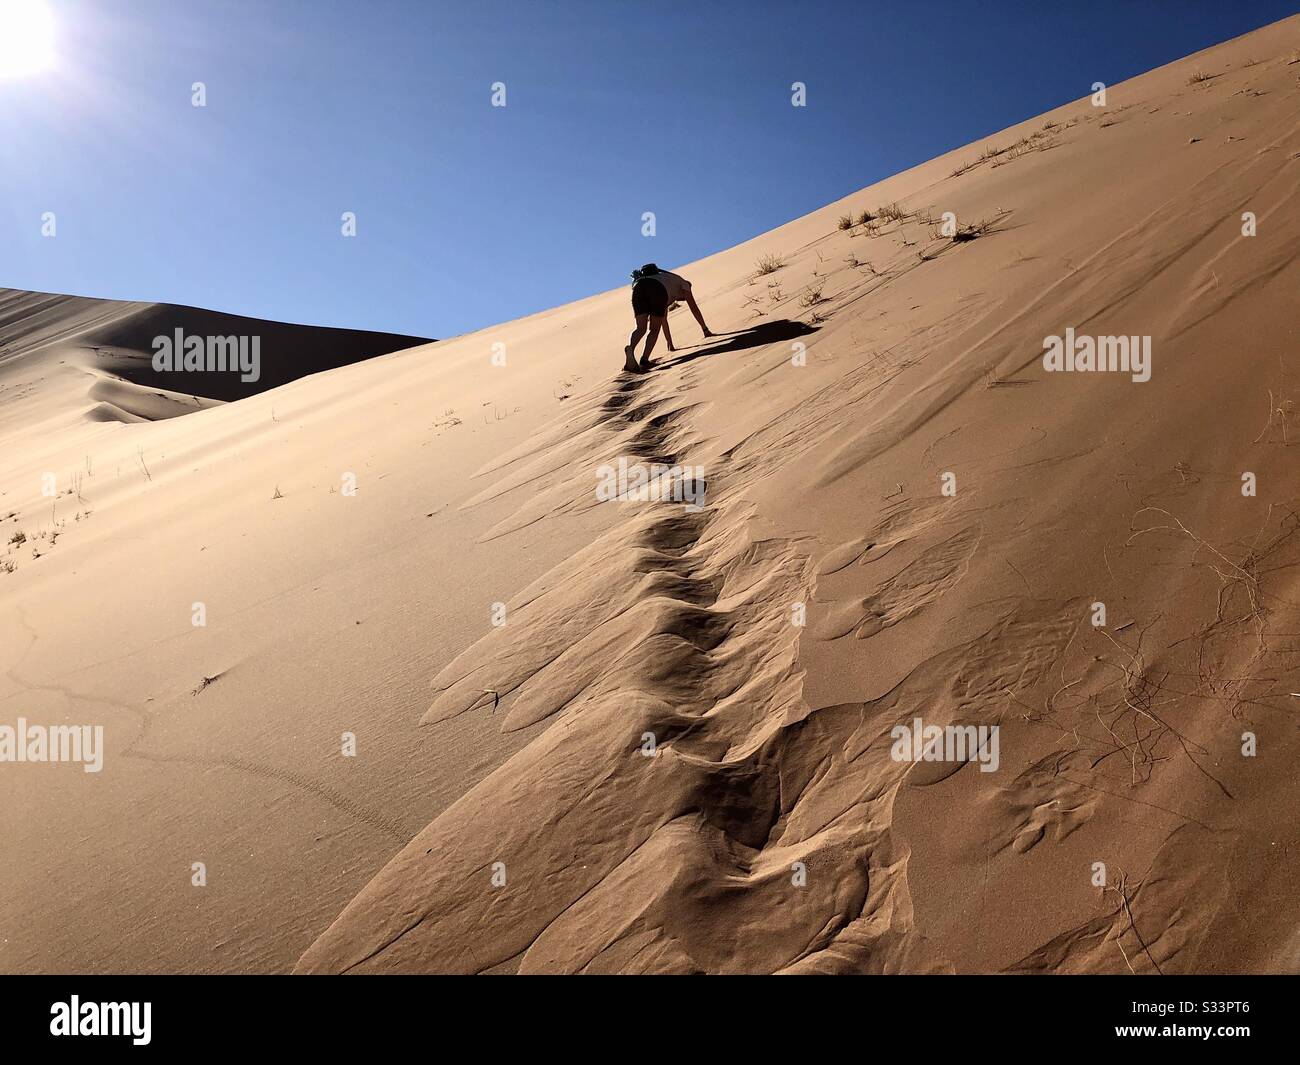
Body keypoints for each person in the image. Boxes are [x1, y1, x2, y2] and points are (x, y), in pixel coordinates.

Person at [624, 263, 713, 373]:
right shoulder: (685, 284)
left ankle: (631, 349)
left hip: (638, 288)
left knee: (640, 328)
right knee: (654, 329)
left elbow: (664, 320)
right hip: (657, 289)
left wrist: (670, 343)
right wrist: (705, 329)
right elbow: (694, 308)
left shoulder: (667, 282)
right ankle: (645, 360)